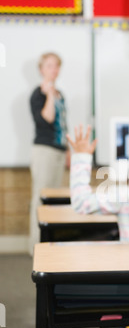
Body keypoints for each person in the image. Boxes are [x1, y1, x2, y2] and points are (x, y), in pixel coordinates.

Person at [29, 52, 68, 254]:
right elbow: (48, 118)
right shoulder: (39, 94)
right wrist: (50, 94)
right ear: (42, 69)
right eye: (50, 66)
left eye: (56, 66)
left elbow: (62, 125)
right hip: (44, 151)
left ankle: (49, 246)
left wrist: (68, 151)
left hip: (59, 151)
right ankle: (36, 247)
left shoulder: (60, 93)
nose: (54, 70)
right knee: (40, 198)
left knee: (53, 201)